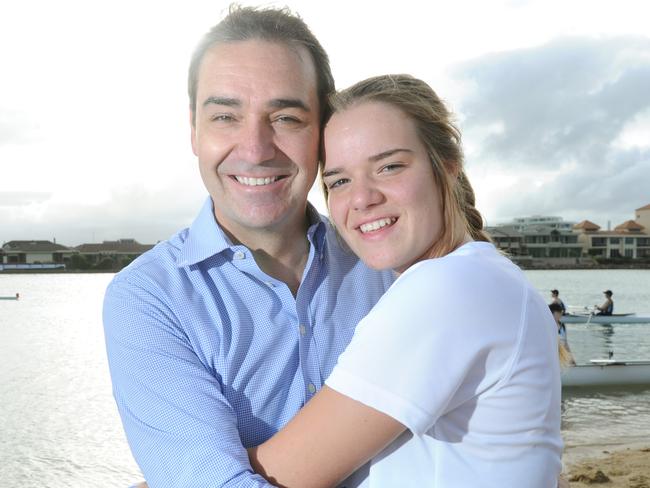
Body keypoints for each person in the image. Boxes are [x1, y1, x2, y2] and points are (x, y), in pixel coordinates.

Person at [102, 7, 393, 487]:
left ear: (324, 131)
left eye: (285, 117)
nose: (256, 148)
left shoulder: (389, 262)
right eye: (225, 116)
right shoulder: (148, 299)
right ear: (194, 130)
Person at [248, 74, 563, 487]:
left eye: (389, 166)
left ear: (446, 167)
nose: (362, 198)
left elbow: (279, 476)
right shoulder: (485, 277)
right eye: (339, 180)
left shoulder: (448, 288)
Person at [549, 302, 576, 367]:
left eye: (561, 312)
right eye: (559, 312)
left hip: (562, 356)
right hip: (552, 357)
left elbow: (566, 344)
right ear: (553, 313)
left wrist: (571, 358)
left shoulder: (563, 326)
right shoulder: (548, 326)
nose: (561, 314)